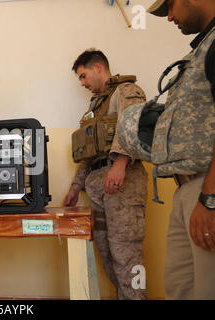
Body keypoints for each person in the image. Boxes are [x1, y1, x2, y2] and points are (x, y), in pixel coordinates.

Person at [63, 49, 148, 299]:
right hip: (99, 188)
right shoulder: (95, 106)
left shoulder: (126, 91)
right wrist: (76, 185)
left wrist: (120, 164)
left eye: (83, 76)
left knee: (127, 254)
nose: (82, 83)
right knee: (108, 254)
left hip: (124, 184)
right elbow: (91, 150)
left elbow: (134, 128)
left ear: (98, 67)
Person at [147, 0, 215, 299]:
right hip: (189, 188)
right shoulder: (201, 49)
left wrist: (210, 199)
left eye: (171, 5)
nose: (170, 16)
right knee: (181, 289)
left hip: (207, 187)